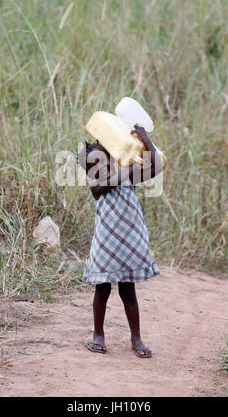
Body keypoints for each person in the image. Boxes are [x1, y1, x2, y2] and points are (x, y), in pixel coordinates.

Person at [77, 125, 163, 358]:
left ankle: (136, 338)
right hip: (106, 248)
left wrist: (146, 140)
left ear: (110, 159)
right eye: (93, 164)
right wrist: (130, 167)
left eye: (103, 160)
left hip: (128, 246)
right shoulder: (97, 187)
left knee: (128, 293)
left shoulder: (127, 177)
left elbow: (157, 166)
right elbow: (115, 179)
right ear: (88, 172)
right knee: (102, 291)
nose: (101, 166)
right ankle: (98, 336)